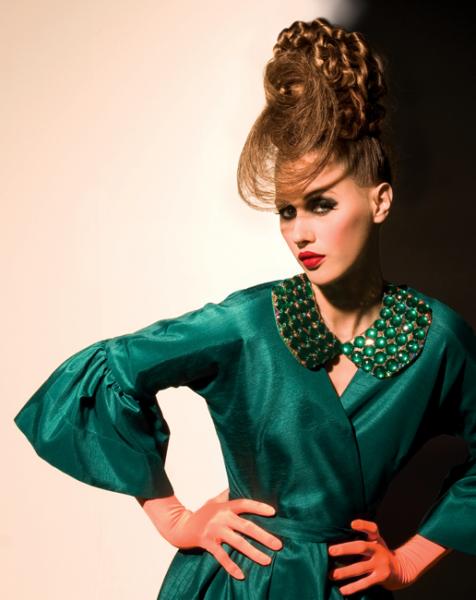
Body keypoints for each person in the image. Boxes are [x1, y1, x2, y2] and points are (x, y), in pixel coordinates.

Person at [13, 16, 476, 600]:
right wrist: (175, 517)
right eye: (287, 211)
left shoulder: (434, 340)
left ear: (379, 201)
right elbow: (103, 373)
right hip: (238, 582)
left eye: (322, 205)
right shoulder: (248, 322)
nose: (300, 232)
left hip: (343, 587)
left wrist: (408, 560)